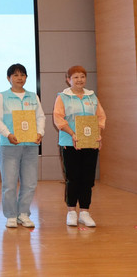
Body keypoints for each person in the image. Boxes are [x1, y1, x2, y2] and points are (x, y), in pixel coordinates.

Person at [0, 63, 45, 228]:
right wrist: (8, 134)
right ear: (9, 78)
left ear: (26, 77)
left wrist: (40, 133)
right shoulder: (2, 96)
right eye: (15, 75)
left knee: (30, 183)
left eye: (22, 75)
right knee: (9, 184)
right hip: (9, 145)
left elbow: (40, 117)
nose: (19, 78)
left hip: (30, 145)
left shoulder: (33, 97)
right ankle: (11, 215)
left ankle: (23, 214)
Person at [53, 65, 107, 227]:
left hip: (90, 143)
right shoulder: (63, 97)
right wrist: (73, 134)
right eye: (75, 77)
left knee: (88, 178)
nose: (79, 80)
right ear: (68, 80)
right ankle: (71, 212)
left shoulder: (92, 96)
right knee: (73, 178)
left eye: (82, 76)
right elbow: (58, 118)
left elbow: (100, 117)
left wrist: (98, 134)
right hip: (70, 143)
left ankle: (84, 212)